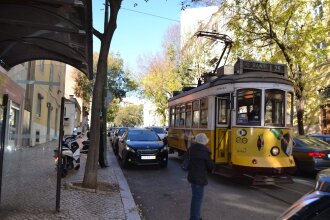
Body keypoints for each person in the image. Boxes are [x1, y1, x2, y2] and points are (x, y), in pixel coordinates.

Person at [187, 133, 214, 220]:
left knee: (195, 198)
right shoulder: (205, 151)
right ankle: (195, 218)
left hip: (192, 177)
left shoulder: (192, 149)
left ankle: (195, 216)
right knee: (197, 199)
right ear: (204, 141)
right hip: (200, 178)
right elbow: (210, 166)